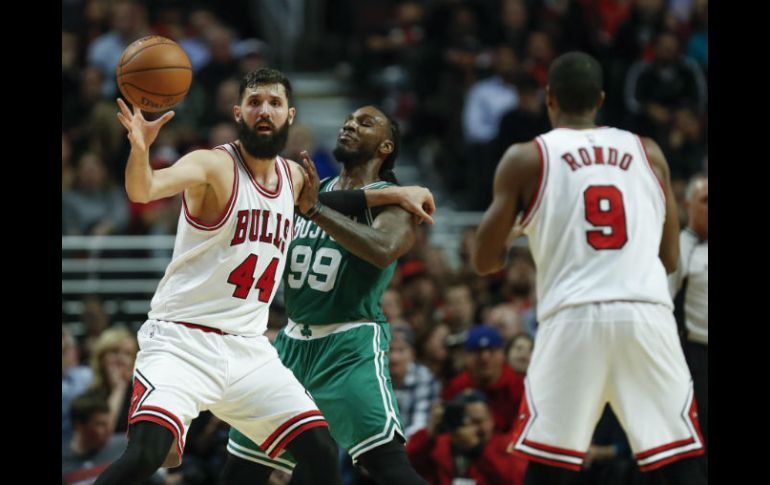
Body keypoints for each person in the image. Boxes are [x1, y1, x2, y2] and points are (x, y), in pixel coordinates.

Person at [95, 68, 434, 484]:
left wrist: (397, 193)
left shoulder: (292, 176)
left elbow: (332, 200)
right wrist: (140, 150)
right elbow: (143, 189)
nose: (264, 110)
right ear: (238, 112)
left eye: (274, 103)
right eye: (255, 102)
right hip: (183, 339)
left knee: (320, 451)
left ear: (289, 115)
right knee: (146, 453)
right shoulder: (212, 164)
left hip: (249, 351)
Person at [471, 52, 706, 484]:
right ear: (600, 99)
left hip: (573, 316)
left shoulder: (527, 158)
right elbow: (670, 258)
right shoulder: (648, 151)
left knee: (550, 464)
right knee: (677, 461)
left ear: (549, 98)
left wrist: (517, 230)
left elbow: (484, 262)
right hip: (646, 314)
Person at [223, 105, 431, 485]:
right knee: (242, 467)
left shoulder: (394, 201)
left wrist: (315, 211)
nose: (350, 124)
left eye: (364, 123)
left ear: (385, 147)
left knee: (385, 464)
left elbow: (384, 248)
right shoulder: (315, 187)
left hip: (348, 344)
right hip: (292, 343)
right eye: (348, 120)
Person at [406, 389, 527, 485]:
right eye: (464, 421)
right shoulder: (438, 445)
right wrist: (429, 434)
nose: (471, 429)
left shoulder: (506, 446)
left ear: (492, 420)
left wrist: (477, 450)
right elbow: (406, 468)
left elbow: (515, 481)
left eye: (478, 421)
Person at [669, 174, 708, 454]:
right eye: (705, 201)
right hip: (696, 355)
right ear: (687, 204)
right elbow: (664, 303)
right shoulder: (679, 247)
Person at [441, 325, 524, 433]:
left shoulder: (518, 386)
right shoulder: (456, 387)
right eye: (477, 352)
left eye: (491, 351)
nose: (485, 358)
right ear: (466, 357)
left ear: (502, 355)